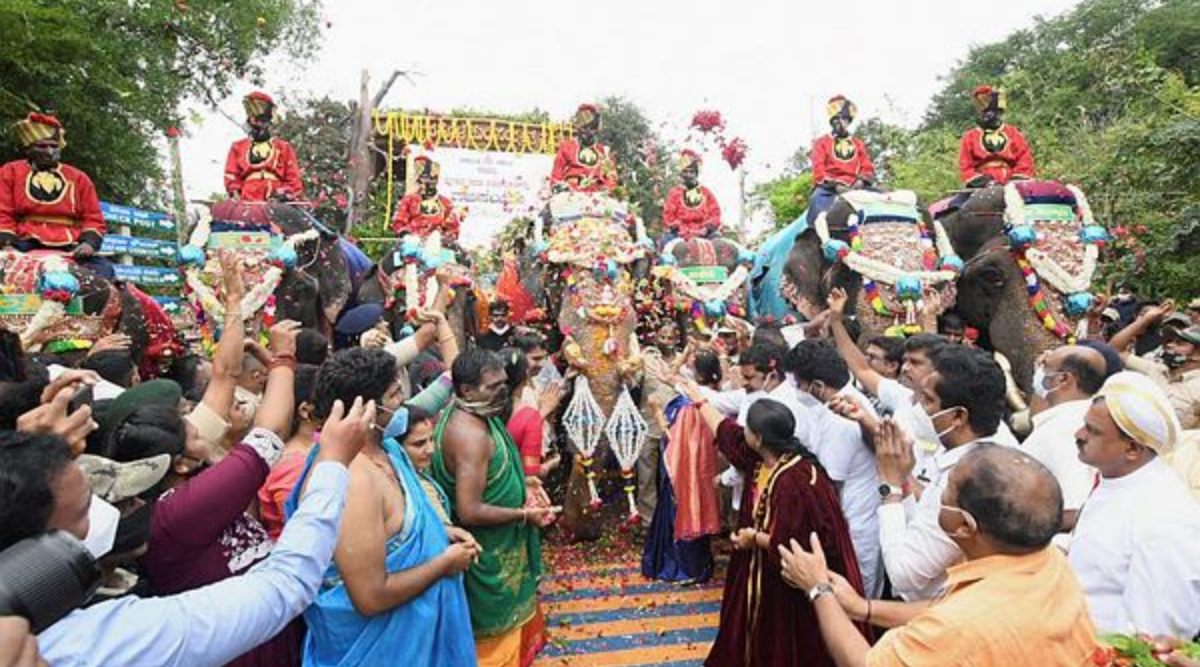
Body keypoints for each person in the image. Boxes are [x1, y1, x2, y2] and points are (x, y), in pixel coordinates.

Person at [16, 397, 377, 667]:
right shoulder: (95, 642)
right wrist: (332, 465)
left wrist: (32, 457)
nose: (113, 514)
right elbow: (285, 585)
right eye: (84, 512)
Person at [779, 444, 1099, 667]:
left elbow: (864, 662)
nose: (936, 496)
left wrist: (817, 588)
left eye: (945, 492)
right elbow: (944, 608)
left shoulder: (958, 628)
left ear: (963, 525)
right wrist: (862, 608)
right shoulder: (1048, 562)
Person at [290, 347, 478, 666]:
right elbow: (371, 596)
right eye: (393, 396)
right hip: (383, 650)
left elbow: (396, 528)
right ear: (367, 409)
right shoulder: (351, 477)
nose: (401, 405)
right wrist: (444, 564)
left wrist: (440, 532)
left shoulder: (387, 447)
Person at [678, 389, 867, 667]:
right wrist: (696, 396)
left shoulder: (796, 482)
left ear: (758, 438)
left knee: (784, 645)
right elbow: (726, 432)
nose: (743, 434)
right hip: (757, 572)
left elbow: (795, 545)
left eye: (748, 431)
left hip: (788, 586)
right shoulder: (761, 458)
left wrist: (754, 537)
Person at [431, 348, 554, 667]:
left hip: (502, 553)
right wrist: (524, 514)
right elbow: (469, 510)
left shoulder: (477, 414)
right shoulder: (470, 435)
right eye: (493, 386)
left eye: (504, 383)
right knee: (491, 651)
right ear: (466, 390)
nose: (503, 391)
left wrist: (527, 487)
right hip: (487, 562)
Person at [1068, 371, 1200, 638]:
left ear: (1132, 449)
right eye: (1085, 424)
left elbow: (1152, 634)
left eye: (1093, 431)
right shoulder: (1113, 478)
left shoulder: (1165, 518)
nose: (1079, 434)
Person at [874, 346, 1010, 601]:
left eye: (927, 400)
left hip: (940, 616)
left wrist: (890, 488)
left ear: (958, 415)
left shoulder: (966, 477)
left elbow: (904, 573)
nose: (920, 410)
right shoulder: (969, 456)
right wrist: (904, 480)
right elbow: (925, 530)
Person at [790, 340, 883, 598]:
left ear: (817, 386)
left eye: (800, 384)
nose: (797, 391)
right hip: (852, 519)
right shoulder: (839, 403)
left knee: (855, 602)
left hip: (854, 525)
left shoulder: (840, 419)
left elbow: (829, 483)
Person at [0, 112, 111, 278]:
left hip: (70, 245)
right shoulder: (10, 172)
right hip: (23, 242)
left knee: (104, 272)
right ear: (28, 149)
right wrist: (7, 246)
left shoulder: (78, 177)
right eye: (42, 146)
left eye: (54, 146)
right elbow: (3, 212)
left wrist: (88, 243)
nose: (50, 151)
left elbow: (93, 217)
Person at [1022, 345, 1106, 536]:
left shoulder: (1066, 430)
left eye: (1045, 367)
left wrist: (1015, 532)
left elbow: (1072, 510)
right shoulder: (1075, 417)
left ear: (1063, 379)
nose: (1039, 373)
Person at [1116, 315, 1200, 429]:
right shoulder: (1155, 368)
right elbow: (1114, 351)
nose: (1169, 345)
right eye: (1171, 341)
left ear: (1197, 355)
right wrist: (1145, 319)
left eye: (1179, 343)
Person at [224, 91, 305, 202]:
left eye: (262, 120)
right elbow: (231, 176)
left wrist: (284, 196)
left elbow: (293, 179)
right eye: (254, 119)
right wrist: (235, 193)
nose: (258, 124)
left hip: (277, 201)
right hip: (247, 200)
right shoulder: (238, 147)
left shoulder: (283, 147)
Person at [808, 96, 876, 223]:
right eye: (836, 119)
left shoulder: (858, 143)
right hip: (829, 188)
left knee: (885, 197)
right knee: (816, 201)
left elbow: (867, 166)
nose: (840, 122)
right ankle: (818, 237)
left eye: (844, 119)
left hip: (857, 185)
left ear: (849, 121)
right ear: (832, 122)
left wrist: (861, 181)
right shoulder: (821, 143)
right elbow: (818, 168)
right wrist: (836, 186)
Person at [957, 85, 1035, 187]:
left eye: (994, 112)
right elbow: (965, 165)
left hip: (1013, 181)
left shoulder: (1013, 132)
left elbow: (1024, 159)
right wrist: (984, 182)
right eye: (985, 112)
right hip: (982, 184)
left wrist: (1015, 179)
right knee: (957, 203)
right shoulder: (970, 136)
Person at [391, 156, 462, 242]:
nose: (424, 186)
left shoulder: (446, 203)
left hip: (438, 246)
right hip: (412, 243)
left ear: (436, 182)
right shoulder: (409, 199)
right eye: (421, 182)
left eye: (429, 182)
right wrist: (407, 235)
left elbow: (453, 229)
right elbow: (399, 223)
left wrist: (441, 238)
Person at [550, 104, 617, 194]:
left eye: (591, 128)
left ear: (597, 130)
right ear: (578, 128)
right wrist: (561, 190)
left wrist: (608, 190)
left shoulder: (604, 151)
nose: (587, 132)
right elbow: (556, 176)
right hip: (571, 197)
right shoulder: (567, 147)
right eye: (584, 128)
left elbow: (611, 178)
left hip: (598, 198)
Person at [662, 149, 721, 240]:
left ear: (696, 174)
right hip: (679, 234)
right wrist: (681, 229)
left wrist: (706, 228)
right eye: (685, 172)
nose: (688, 175)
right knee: (666, 241)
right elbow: (668, 216)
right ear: (681, 174)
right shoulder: (674, 193)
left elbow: (715, 213)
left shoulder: (706, 193)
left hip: (704, 234)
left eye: (691, 172)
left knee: (718, 242)